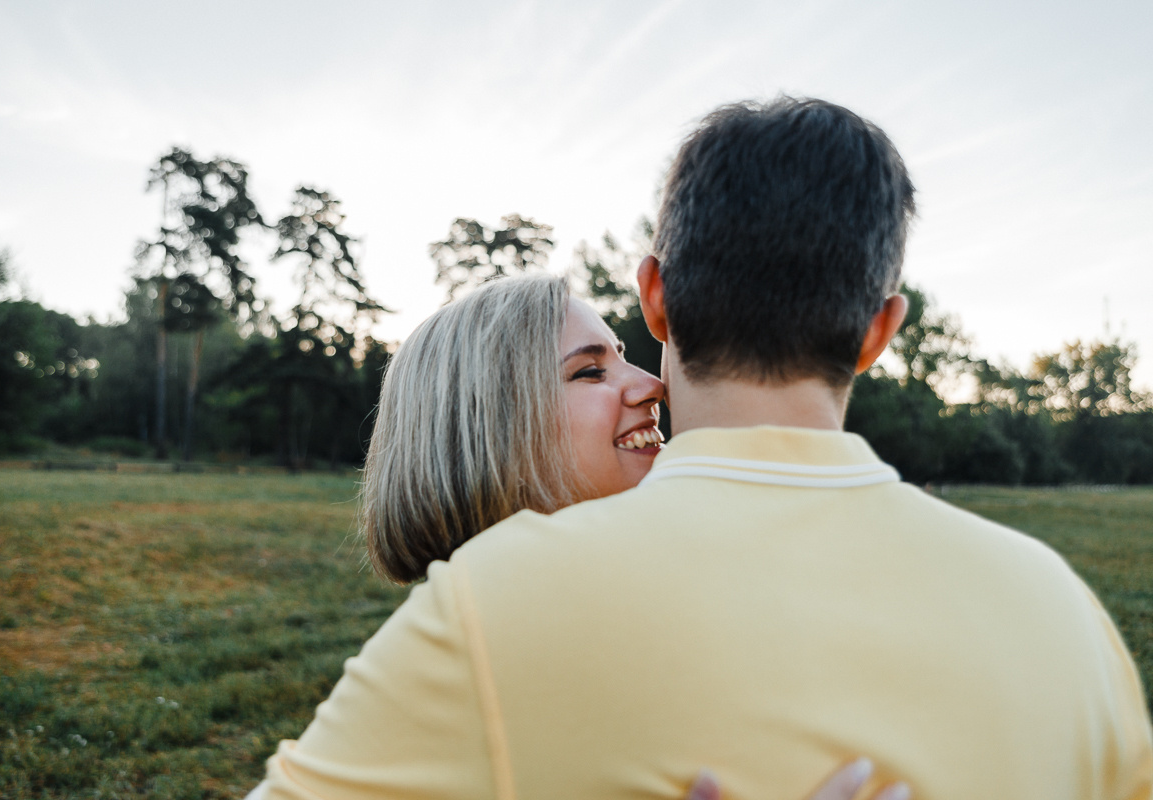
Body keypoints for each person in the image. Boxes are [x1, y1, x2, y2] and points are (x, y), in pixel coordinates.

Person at [259, 97, 1153, 799]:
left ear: (657, 299)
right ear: (879, 333)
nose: (642, 386)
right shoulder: (1067, 614)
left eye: (623, 355)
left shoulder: (488, 619)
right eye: (587, 371)